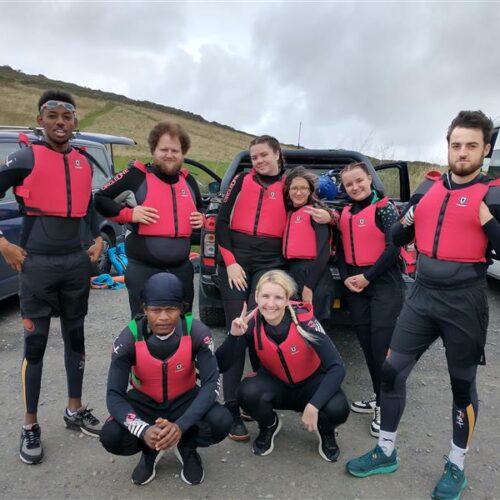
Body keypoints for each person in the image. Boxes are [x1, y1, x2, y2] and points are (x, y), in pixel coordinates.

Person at [346, 111, 500, 500]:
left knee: (462, 386)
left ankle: (456, 464)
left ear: (485, 149)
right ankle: (385, 450)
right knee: (391, 371)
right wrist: (411, 214)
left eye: (471, 146)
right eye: (456, 145)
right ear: (447, 146)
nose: (461, 153)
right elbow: (397, 235)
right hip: (422, 295)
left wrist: (487, 220)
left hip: (465, 299)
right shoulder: (427, 187)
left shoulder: (495, 193)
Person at [0, 90, 104, 465]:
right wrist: (3, 244)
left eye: (67, 116)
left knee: (75, 338)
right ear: (41, 119)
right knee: (36, 344)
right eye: (52, 115)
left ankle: (73, 410)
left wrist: (99, 240)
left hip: (75, 264)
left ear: (76, 123)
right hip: (37, 265)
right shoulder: (25, 156)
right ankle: (30, 425)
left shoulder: (83, 162)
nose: (60, 122)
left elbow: (89, 209)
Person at [215, 135, 331, 441]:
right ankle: (229, 407)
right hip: (236, 259)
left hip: (270, 261)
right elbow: (222, 221)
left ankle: (255, 396)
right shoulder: (241, 180)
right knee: (237, 327)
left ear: (277, 154)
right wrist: (229, 262)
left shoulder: (289, 184)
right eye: (254, 157)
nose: (258, 161)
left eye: (264, 155)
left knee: (260, 328)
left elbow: (313, 205)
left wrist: (331, 215)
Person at [99, 273, 231, 486]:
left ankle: (186, 446)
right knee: (111, 435)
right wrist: (143, 430)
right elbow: (114, 395)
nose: (162, 317)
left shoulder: (197, 331)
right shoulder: (128, 338)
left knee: (222, 420)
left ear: (181, 309)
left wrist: (180, 426)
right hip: (144, 403)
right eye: (155, 310)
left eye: (170, 310)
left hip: (184, 399)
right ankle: (149, 449)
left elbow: (211, 384)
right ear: (144, 309)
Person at [216, 270, 350, 461]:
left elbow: (337, 367)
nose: (270, 304)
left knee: (338, 407)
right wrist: (234, 336)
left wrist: (314, 405)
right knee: (246, 392)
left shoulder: (305, 321)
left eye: (278, 297)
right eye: (265, 296)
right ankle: (269, 425)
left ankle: (326, 430)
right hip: (277, 385)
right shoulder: (251, 322)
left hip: (311, 385)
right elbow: (221, 365)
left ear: (288, 299)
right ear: (256, 297)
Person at [94, 121, 204, 317]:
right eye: (164, 149)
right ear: (154, 150)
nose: (169, 155)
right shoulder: (136, 176)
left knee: (183, 323)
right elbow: (100, 199)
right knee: (143, 324)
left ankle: (184, 348)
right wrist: (129, 214)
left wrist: (201, 218)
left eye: (175, 150)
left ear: (183, 153)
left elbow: (200, 208)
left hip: (181, 269)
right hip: (143, 270)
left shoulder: (188, 181)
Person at [336, 161, 404, 437]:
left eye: (359, 181)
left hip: (382, 283)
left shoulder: (385, 208)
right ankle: (379, 396)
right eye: (349, 184)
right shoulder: (345, 213)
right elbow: (340, 249)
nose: (355, 187)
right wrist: (345, 278)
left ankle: (385, 404)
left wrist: (368, 277)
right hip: (355, 284)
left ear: (369, 180)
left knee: (380, 348)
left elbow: (394, 248)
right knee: (366, 344)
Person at [282, 166, 334, 322]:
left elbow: (324, 252)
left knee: (315, 323)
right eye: (294, 188)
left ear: (311, 190)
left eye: (303, 188)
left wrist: (309, 287)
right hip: (293, 271)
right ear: (288, 191)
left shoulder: (316, 213)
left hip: (314, 273)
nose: (299, 192)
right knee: (296, 321)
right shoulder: (289, 213)